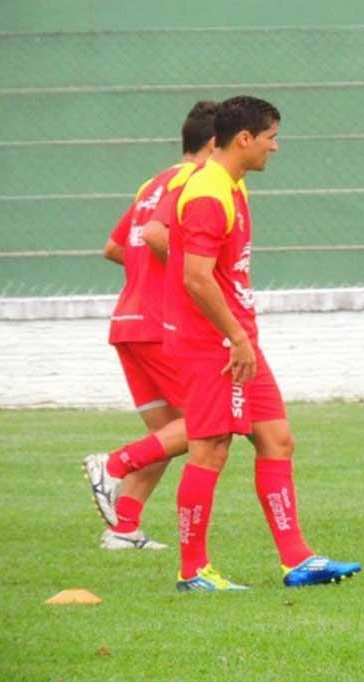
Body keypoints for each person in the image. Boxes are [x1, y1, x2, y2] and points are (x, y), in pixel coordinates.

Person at [163, 95, 361, 591]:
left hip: (239, 341)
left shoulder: (233, 185)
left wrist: (243, 336)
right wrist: (234, 336)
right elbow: (197, 278)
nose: (277, 146)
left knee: (278, 440)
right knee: (210, 448)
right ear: (244, 138)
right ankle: (193, 572)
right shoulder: (209, 191)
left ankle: (297, 560)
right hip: (215, 344)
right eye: (271, 136)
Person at [82, 101, 219, 550]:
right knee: (204, 423)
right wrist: (190, 278)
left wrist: (149, 272)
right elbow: (160, 239)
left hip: (128, 321)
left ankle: (124, 529)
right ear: (216, 143)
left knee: (167, 437)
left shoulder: (152, 183)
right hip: (163, 324)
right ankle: (115, 464)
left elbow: (114, 246)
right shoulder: (198, 180)